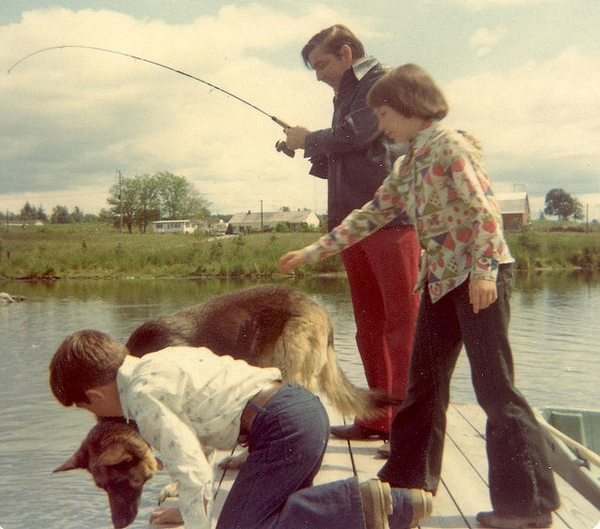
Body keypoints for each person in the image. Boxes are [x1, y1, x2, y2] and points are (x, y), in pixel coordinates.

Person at [279, 64, 560, 528]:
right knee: (423, 384)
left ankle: (527, 508)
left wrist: (486, 272)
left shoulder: (449, 146)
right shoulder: (409, 161)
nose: (382, 124)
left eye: (385, 113)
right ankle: (407, 484)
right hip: (439, 280)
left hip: (477, 278)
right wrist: (313, 250)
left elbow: (486, 211)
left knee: (495, 389)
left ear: (411, 108)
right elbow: (372, 213)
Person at [49, 329, 433, 529]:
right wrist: (188, 509)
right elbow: (203, 436)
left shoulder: (143, 398)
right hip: (299, 411)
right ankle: (396, 507)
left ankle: (368, 502)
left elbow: (194, 473)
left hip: (282, 428)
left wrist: (196, 519)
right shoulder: (159, 362)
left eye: (85, 407)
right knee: (270, 517)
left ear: (94, 395)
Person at [283, 25, 421, 444]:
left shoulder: (382, 81)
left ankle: (408, 430)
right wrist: (304, 146)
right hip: (352, 225)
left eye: (322, 64)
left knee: (402, 326)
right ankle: (378, 420)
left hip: (390, 222)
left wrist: (312, 139)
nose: (319, 74)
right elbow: (348, 150)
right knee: (369, 327)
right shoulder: (345, 91)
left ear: (346, 53)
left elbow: (361, 134)